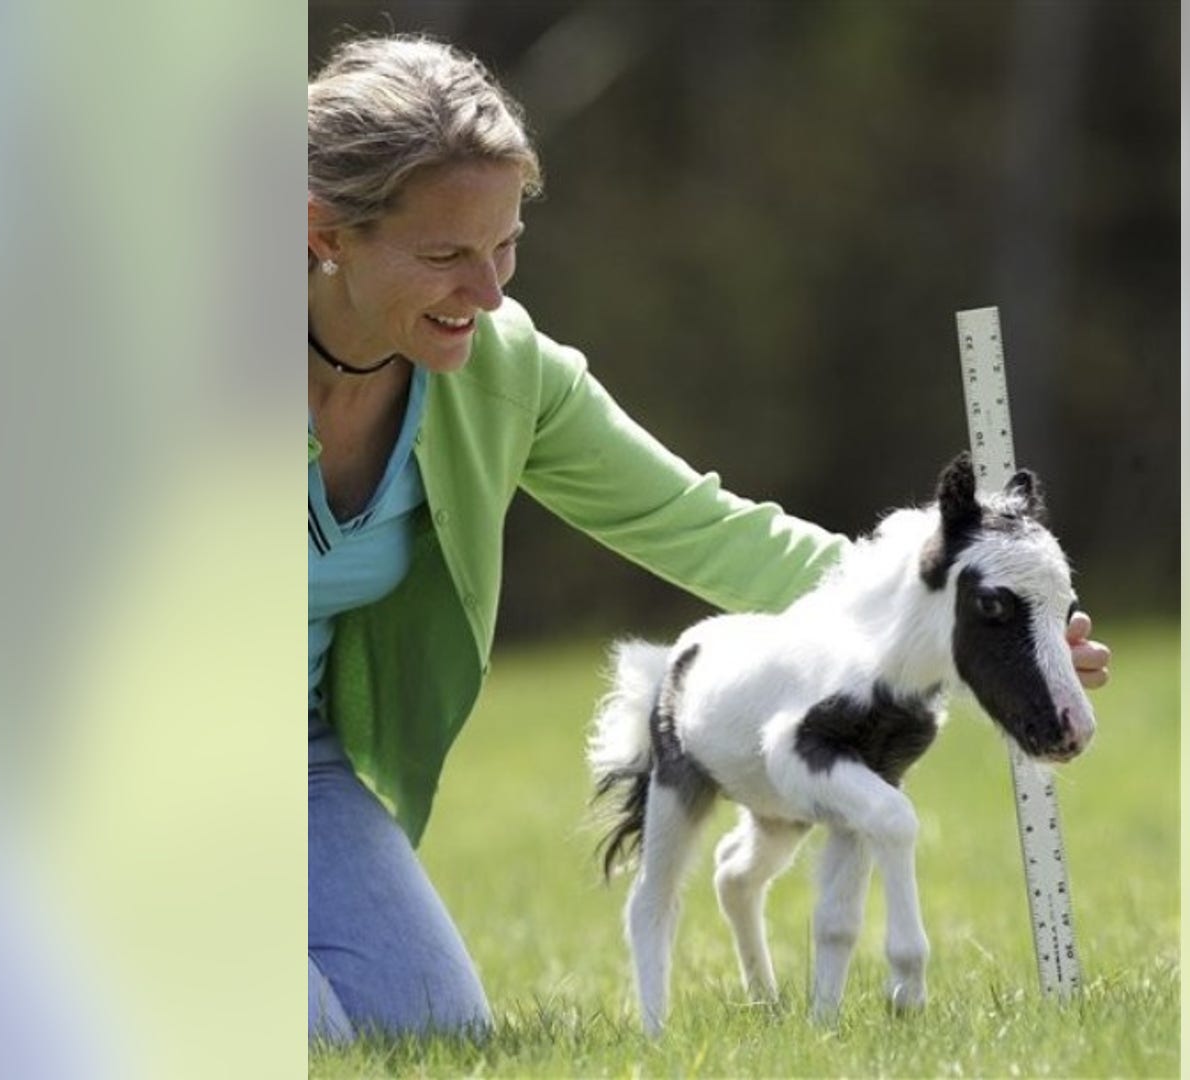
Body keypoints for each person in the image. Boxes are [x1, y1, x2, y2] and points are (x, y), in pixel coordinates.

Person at [305, 32, 1113, 1043]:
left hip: (297, 768)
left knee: (426, 1033)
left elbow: (707, 529)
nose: (492, 292)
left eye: (505, 244)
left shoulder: (502, 375)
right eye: (445, 257)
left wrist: (948, 611)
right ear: (325, 233)